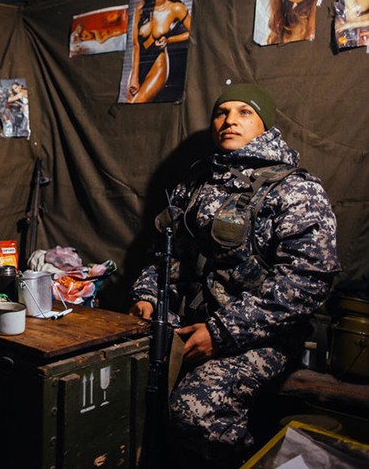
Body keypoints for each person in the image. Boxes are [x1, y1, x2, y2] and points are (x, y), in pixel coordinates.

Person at [129, 84, 340, 467]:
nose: (229, 120)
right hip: (189, 323)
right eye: (221, 112)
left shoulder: (294, 188)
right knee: (120, 379)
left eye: (244, 111)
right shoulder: (197, 182)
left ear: (265, 124)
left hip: (261, 337)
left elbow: (307, 281)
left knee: (195, 413)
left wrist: (223, 332)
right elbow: (166, 254)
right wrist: (148, 296)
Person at [127, 0, 191, 103]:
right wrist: (134, 76)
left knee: (137, 103)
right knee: (128, 106)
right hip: (139, 62)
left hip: (158, 62)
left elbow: (193, 33)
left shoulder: (176, 8)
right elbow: (136, 44)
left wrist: (169, 40)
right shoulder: (140, 7)